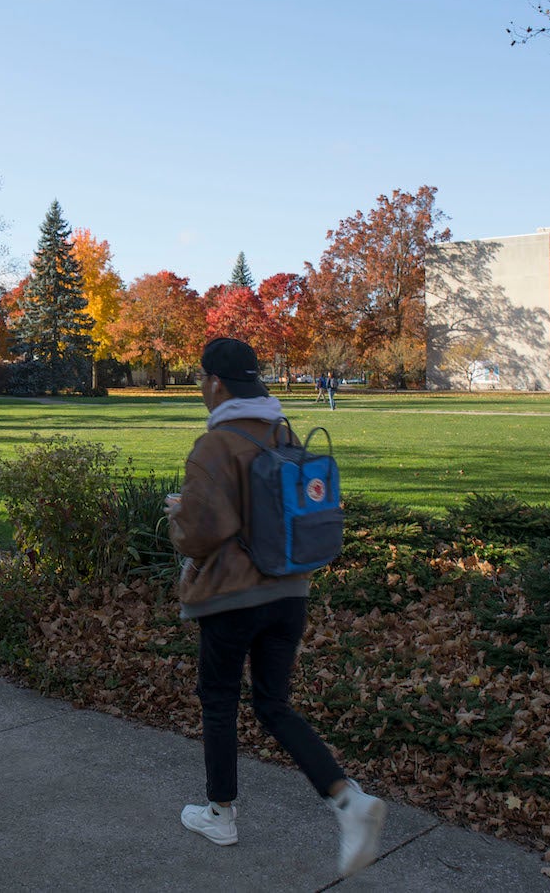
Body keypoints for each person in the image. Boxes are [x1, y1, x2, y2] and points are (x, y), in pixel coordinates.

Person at [166, 337, 387, 878]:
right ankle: (347, 799)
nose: (201, 388)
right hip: (290, 591)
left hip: (232, 598)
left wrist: (177, 512)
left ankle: (221, 814)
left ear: (215, 383)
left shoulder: (214, 446)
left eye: (201, 379)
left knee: (218, 701)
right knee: (274, 705)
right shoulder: (282, 433)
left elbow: (200, 535)